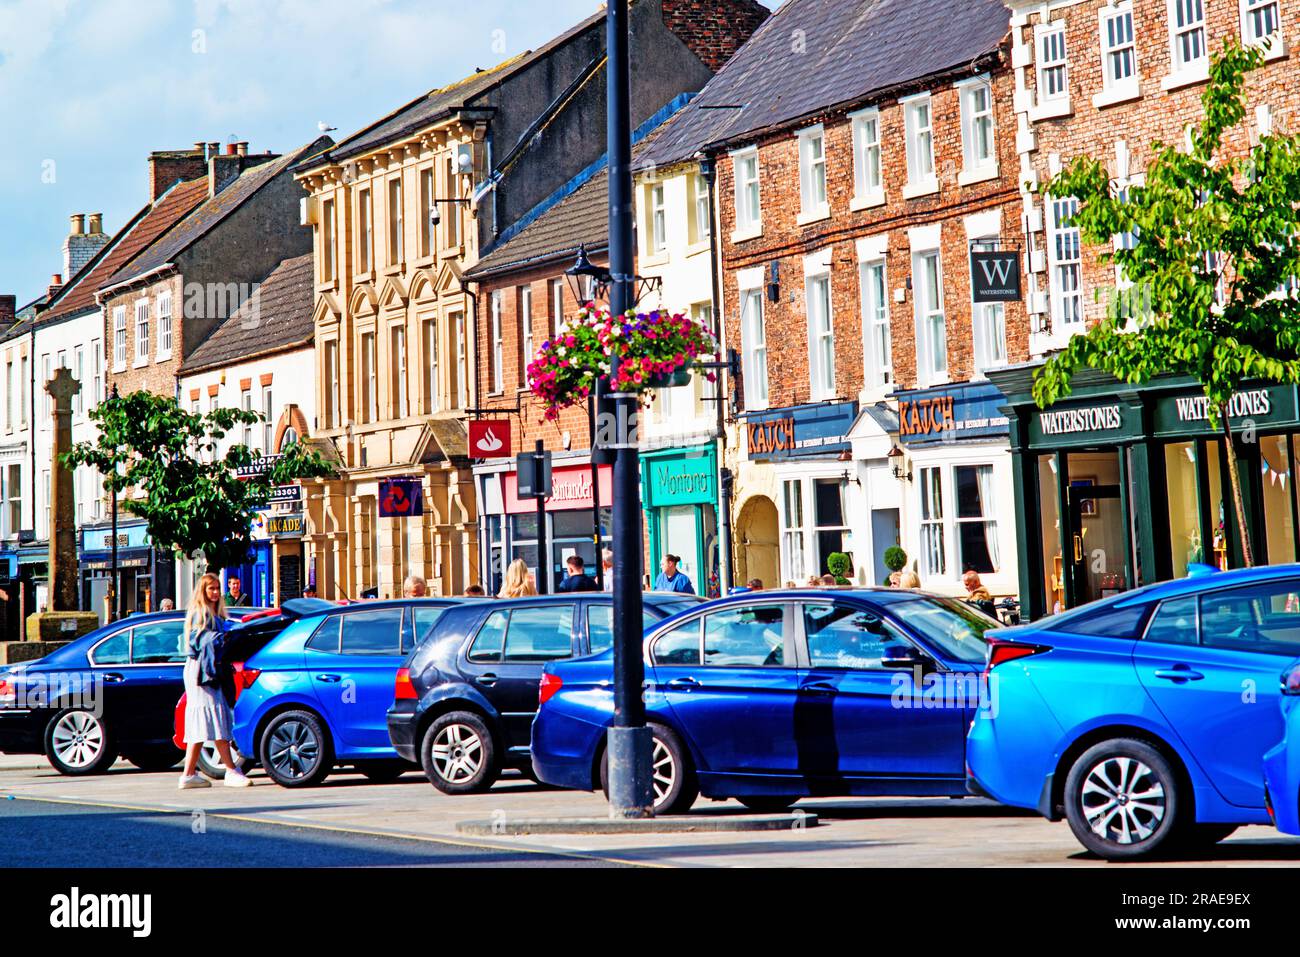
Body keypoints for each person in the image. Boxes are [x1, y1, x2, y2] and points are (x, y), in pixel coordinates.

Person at [178, 573, 251, 790]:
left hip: (203, 669)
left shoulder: (213, 613)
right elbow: (201, 639)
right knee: (215, 717)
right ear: (203, 591)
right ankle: (230, 770)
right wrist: (224, 636)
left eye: (218, 588)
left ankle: (188, 774)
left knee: (201, 722)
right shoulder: (201, 614)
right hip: (202, 671)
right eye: (212, 589)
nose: (217, 593)